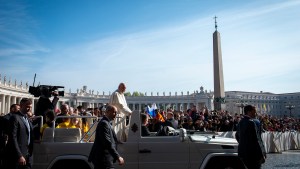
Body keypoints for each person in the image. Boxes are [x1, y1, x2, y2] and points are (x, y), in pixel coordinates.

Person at [88, 105, 124, 169]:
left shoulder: (107, 123)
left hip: (104, 160)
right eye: (114, 112)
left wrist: (117, 141)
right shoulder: (104, 123)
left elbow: (108, 138)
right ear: (107, 112)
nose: (115, 114)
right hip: (103, 160)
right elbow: (107, 142)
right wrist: (118, 156)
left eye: (116, 113)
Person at [3, 98, 34, 169]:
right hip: (18, 156)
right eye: (27, 106)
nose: (29, 109)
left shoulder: (27, 119)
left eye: (30, 107)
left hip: (28, 155)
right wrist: (19, 155)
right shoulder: (14, 118)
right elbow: (12, 137)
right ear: (21, 105)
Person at [235, 105, 266, 169]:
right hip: (253, 155)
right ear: (249, 112)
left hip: (242, 153)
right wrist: (262, 154)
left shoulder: (240, 122)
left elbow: (237, 136)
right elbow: (257, 139)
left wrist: (243, 145)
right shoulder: (251, 123)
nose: (255, 113)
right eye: (254, 111)